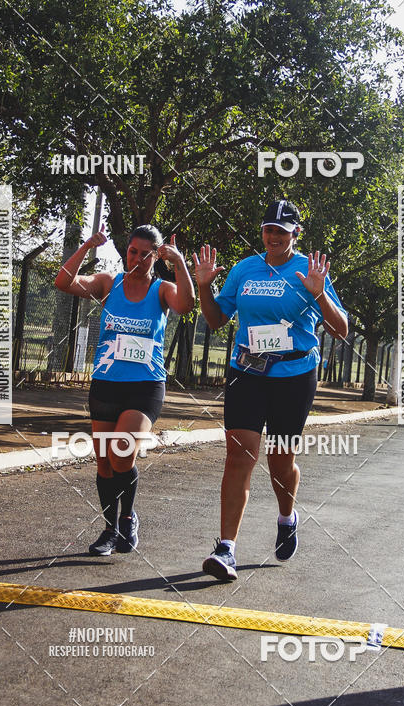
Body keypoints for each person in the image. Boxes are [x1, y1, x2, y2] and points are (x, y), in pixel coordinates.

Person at [194, 200, 348, 581]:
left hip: (294, 374)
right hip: (247, 371)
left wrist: (319, 294)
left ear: (296, 234)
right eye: (269, 230)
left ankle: (287, 517)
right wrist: (204, 287)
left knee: (280, 460)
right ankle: (226, 548)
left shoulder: (309, 270)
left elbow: (340, 329)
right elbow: (216, 319)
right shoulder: (245, 269)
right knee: (239, 455)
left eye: (282, 231)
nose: (274, 236)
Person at [55, 224, 194, 555]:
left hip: (145, 386)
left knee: (121, 451)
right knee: (104, 462)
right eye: (133, 252)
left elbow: (187, 305)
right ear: (126, 251)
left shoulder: (162, 289)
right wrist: (88, 245)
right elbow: (63, 282)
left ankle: (128, 517)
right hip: (107, 383)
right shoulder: (108, 283)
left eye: (146, 254)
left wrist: (179, 263)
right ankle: (110, 530)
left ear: (156, 257)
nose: (138, 259)